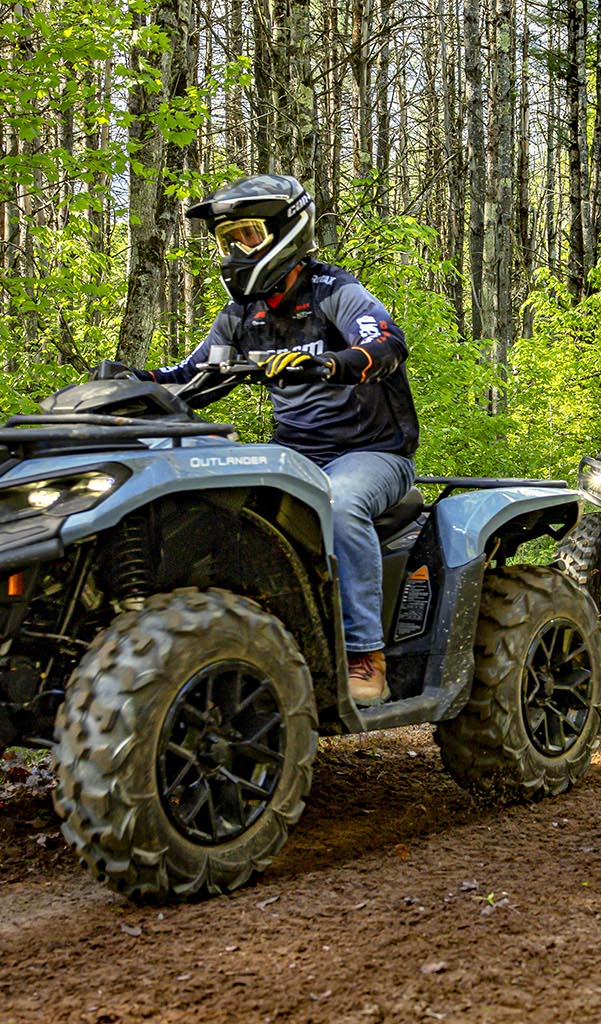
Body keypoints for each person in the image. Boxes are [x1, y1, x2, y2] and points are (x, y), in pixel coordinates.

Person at [127, 174, 414, 706]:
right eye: (228, 238)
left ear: (290, 231)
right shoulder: (241, 315)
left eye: (249, 235)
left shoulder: (336, 293)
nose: (238, 248)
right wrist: (134, 381)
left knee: (340, 501)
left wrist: (328, 362)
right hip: (294, 454)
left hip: (372, 454)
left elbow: (386, 345)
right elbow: (192, 378)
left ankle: (364, 654)